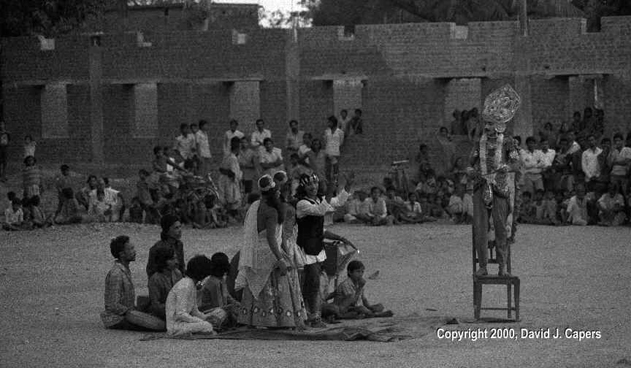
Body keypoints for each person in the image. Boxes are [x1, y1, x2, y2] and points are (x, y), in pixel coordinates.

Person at [235, 175, 306, 328]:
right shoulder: (272, 211)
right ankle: (279, 321)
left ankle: (253, 320)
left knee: (257, 286)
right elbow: (271, 238)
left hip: (257, 251)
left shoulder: (256, 206)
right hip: (269, 252)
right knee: (279, 284)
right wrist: (281, 259)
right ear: (275, 192)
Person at [469, 85, 521, 277]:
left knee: (500, 227)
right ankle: (482, 266)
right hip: (481, 186)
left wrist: (506, 167)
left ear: (500, 125)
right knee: (480, 228)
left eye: (491, 124)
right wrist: (470, 171)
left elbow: (516, 164)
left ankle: (502, 267)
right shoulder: (479, 143)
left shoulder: (508, 143)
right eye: (486, 124)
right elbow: (470, 164)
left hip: (500, 188)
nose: (488, 127)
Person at [295, 172, 355, 327]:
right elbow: (321, 210)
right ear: (303, 187)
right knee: (312, 282)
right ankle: (312, 317)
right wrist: (329, 189)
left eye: (314, 184)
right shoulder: (302, 203)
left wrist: (347, 185)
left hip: (317, 247)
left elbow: (338, 202)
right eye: (309, 184)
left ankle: (312, 314)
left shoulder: (320, 200)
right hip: (305, 248)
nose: (313, 187)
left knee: (314, 282)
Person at [100, 236, 166, 331]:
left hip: (126, 313)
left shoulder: (124, 269)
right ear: (122, 254)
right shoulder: (116, 274)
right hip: (116, 319)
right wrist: (132, 312)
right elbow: (112, 305)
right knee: (160, 326)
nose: (134, 251)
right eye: (130, 249)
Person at [165, 255, 216, 336]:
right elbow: (181, 314)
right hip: (175, 326)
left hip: (183, 322)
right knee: (207, 326)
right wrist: (202, 322)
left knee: (215, 316)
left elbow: (194, 311)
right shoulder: (186, 285)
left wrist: (206, 317)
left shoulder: (192, 284)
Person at [198, 252, 241, 329]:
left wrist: (237, 304)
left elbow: (227, 297)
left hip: (217, 310)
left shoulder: (221, 280)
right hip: (209, 312)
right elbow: (218, 305)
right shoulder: (213, 283)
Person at [146, 214, 185, 281]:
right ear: (167, 230)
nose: (180, 230)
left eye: (180, 227)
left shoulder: (179, 245)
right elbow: (151, 271)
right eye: (176, 228)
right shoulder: (157, 248)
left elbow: (181, 266)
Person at [148, 246, 183, 320]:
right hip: (163, 315)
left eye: (176, 258)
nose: (176, 262)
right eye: (172, 259)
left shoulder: (177, 274)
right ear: (163, 261)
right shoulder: (155, 279)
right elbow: (156, 305)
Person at [217, 137, 243, 220]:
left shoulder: (227, 156)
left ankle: (229, 215)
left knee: (226, 196)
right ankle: (229, 216)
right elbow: (234, 173)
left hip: (224, 179)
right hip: (229, 180)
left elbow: (221, 168)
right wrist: (238, 180)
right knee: (231, 198)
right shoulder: (232, 158)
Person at [324, 116, 344, 190]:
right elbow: (325, 141)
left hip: (336, 153)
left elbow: (341, 142)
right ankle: (328, 185)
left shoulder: (340, 132)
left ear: (333, 122)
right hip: (328, 152)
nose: (328, 123)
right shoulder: (326, 131)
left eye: (329, 122)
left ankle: (335, 185)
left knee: (335, 171)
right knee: (328, 170)